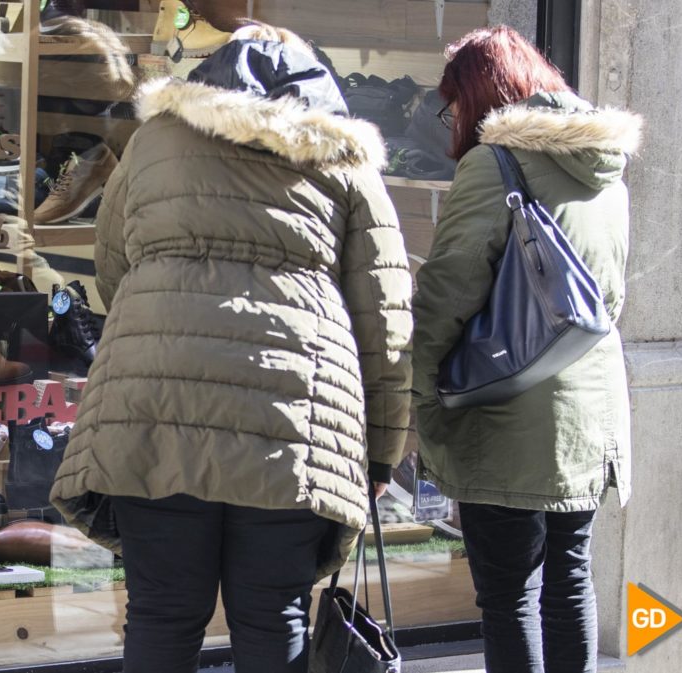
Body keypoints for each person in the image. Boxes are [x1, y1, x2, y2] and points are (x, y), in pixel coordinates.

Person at [50, 23, 413, 673]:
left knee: (161, 610)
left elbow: (111, 266)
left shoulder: (156, 140)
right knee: (274, 614)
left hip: (155, 402)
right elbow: (384, 320)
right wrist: (382, 453)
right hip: (292, 412)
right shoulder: (343, 157)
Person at [412, 26, 642, 673]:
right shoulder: (606, 167)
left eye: (453, 102)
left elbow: (446, 292)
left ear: (481, 93)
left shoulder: (495, 164)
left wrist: (420, 395)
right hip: (590, 413)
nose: (452, 117)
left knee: (510, 593)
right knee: (570, 581)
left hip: (507, 412)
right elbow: (612, 296)